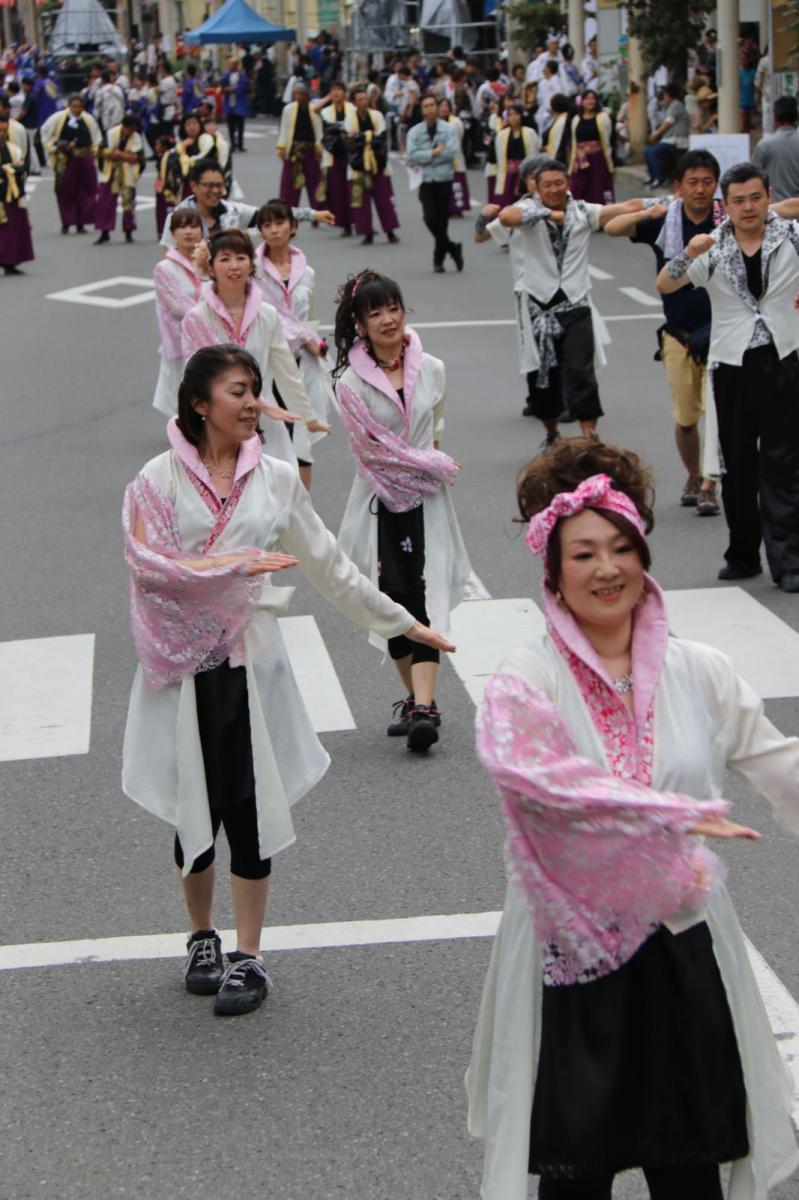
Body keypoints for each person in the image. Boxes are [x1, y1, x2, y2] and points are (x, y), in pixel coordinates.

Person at [467, 435, 799, 1200]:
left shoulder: (699, 671)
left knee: (689, 1170)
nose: (606, 569)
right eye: (582, 554)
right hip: (569, 956)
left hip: (681, 949)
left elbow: (778, 765)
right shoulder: (528, 677)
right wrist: (661, 815)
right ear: (551, 571)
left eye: (621, 548)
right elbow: (533, 780)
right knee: (572, 1176)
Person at [122, 344, 453, 1015]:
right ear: (198, 403)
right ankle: (200, 937)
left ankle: (248, 954)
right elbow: (147, 567)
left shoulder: (275, 478)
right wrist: (231, 568)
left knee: (248, 807)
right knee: (195, 811)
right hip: (180, 666)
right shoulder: (155, 481)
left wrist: (402, 621)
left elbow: (330, 566)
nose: (252, 404)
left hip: (252, 664)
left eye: (254, 390)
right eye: (239, 392)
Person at [332, 269, 483, 751]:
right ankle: (417, 699)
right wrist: (432, 462)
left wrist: (429, 465)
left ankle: (424, 706)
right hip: (378, 498)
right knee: (388, 599)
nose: (387, 319)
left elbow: (435, 425)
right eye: (374, 312)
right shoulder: (349, 383)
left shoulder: (432, 367)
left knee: (422, 594)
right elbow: (370, 450)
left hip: (428, 501)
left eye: (392, 307)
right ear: (360, 324)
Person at [657, 161, 799, 591]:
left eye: (756, 197)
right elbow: (666, 284)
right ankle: (742, 554)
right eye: (738, 200)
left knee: (784, 462)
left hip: (785, 357)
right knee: (737, 463)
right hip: (732, 363)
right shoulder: (714, 247)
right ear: (727, 205)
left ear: (769, 197)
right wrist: (689, 252)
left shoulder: (791, 237)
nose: (748, 207)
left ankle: (788, 559)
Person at [605, 149, 723, 515]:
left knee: (719, 412)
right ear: (679, 187)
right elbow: (611, 227)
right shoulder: (666, 219)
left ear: (716, 185)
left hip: (722, 331)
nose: (701, 190)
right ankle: (693, 473)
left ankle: (709, 484)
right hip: (678, 334)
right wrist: (647, 211)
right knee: (686, 418)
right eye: (693, 183)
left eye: (707, 182)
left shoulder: (727, 219)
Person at [498, 158, 642, 442]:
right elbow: (506, 217)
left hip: (576, 306)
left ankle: (590, 437)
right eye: (547, 185)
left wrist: (662, 204)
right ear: (536, 189)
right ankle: (552, 434)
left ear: (568, 184)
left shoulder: (581, 211)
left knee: (581, 372)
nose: (554, 189)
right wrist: (546, 215)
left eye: (559, 183)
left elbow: (623, 208)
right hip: (539, 309)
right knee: (543, 379)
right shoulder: (528, 210)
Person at [181, 228, 327, 473]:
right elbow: (195, 379)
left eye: (241, 257)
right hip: (220, 426)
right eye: (224, 259)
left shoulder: (266, 314)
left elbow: (286, 370)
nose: (234, 266)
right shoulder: (197, 318)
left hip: (265, 424)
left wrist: (308, 417)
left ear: (251, 264)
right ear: (210, 267)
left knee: (282, 496)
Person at [253, 199, 334, 488]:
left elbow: (308, 318)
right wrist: (307, 340)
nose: (274, 230)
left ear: (293, 226)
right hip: (270, 362)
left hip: (304, 360)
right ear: (261, 231)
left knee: (303, 439)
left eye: (279, 222)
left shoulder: (306, 271)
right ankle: (276, 501)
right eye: (267, 225)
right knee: (275, 434)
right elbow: (264, 316)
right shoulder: (252, 272)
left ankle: (303, 508)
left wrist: (317, 347)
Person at [160, 159, 334, 247]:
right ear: (194, 186)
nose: (215, 191)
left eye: (220, 185)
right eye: (209, 185)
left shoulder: (232, 211)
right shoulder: (178, 217)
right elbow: (167, 261)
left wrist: (313, 215)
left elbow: (270, 214)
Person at [152, 208, 204, 416]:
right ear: (173, 233)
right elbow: (176, 306)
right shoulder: (164, 268)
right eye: (182, 227)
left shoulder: (211, 261)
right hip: (180, 337)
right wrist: (213, 314)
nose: (189, 232)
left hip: (211, 335)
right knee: (182, 388)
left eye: (193, 226)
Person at [405, 92, 463, 274]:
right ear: (421, 110)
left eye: (432, 105)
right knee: (429, 218)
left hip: (444, 179)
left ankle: (438, 260)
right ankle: (453, 247)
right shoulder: (415, 132)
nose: (429, 109)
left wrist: (430, 156)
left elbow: (451, 152)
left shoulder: (449, 129)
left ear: (437, 108)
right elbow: (412, 155)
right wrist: (433, 153)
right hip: (426, 180)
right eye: (425, 106)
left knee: (443, 220)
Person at [344, 86, 400, 247]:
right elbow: (350, 142)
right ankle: (367, 234)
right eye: (360, 99)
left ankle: (390, 232)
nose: (364, 102)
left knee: (384, 200)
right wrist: (369, 137)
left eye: (365, 99)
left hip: (378, 163)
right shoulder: (350, 119)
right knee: (362, 202)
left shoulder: (377, 116)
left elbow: (381, 138)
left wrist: (363, 138)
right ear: (354, 103)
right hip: (359, 165)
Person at [41, 94, 101, 235]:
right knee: (64, 192)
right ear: (69, 106)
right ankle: (66, 222)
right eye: (74, 106)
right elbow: (45, 133)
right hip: (65, 160)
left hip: (84, 158)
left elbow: (96, 138)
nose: (77, 109)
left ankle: (81, 222)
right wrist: (56, 147)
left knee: (85, 191)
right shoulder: (58, 118)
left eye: (80, 106)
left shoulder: (88, 119)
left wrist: (95, 151)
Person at [93, 112, 145, 245]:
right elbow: (102, 150)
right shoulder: (111, 133)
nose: (131, 132)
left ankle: (128, 232)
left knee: (128, 202)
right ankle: (104, 232)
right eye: (129, 128)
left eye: (133, 129)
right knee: (105, 202)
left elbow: (136, 157)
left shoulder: (136, 137)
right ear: (124, 126)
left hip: (128, 172)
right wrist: (123, 156)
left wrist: (117, 154)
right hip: (111, 171)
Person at [277, 82, 323, 210]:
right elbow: (284, 130)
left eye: (301, 94)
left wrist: (319, 144)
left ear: (307, 95)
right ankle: (288, 210)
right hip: (294, 150)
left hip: (310, 149)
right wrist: (281, 147)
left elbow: (319, 129)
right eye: (296, 94)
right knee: (289, 184)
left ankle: (317, 211)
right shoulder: (288, 109)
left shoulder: (314, 108)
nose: (298, 97)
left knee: (314, 182)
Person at [317, 80, 354, 235]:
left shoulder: (352, 109)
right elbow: (325, 132)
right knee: (336, 191)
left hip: (350, 154)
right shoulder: (325, 112)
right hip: (333, 154)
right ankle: (344, 223)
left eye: (339, 89)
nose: (336, 93)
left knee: (351, 190)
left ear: (345, 93)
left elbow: (351, 129)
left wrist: (337, 129)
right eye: (333, 90)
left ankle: (354, 221)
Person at [0, 113, 34, 276]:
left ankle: (10, 263)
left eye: (4, 131)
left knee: (13, 229)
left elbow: (21, 167)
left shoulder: (13, 149)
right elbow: (15, 168)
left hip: (11, 193)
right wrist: (10, 168)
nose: (2, 134)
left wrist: (8, 169)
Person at [567, 89, 614, 203]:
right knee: (577, 189)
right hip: (580, 159)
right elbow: (574, 142)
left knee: (598, 189)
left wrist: (610, 163)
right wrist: (572, 163)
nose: (590, 101)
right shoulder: (576, 119)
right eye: (587, 98)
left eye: (593, 98)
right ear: (582, 101)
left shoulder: (602, 118)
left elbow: (607, 140)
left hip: (597, 159)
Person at [753, 95, 799, 203]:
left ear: (775, 117)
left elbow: (753, 176)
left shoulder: (764, 145)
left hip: (775, 209)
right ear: (797, 117)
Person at [493, 102, 540, 208]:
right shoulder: (502, 134)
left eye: (516, 114)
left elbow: (534, 152)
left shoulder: (530, 133)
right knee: (507, 201)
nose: (513, 117)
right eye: (510, 114)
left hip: (524, 172)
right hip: (509, 173)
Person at [162, 113, 215, 203]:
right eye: (188, 124)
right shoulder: (180, 144)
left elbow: (206, 159)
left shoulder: (206, 140)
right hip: (186, 185)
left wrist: (187, 161)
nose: (192, 127)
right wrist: (183, 147)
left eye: (194, 123)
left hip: (204, 182)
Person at [645, 83, 689, 188]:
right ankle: (652, 177)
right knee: (647, 150)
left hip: (677, 141)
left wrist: (656, 134)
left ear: (669, 95)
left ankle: (660, 178)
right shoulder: (670, 106)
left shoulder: (676, 105)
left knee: (653, 152)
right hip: (670, 140)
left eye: (665, 95)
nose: (663, 97)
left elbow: (667, 123)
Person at [437, 96, 470, 216]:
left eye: (446, 105)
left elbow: (457, 139)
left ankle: (457, 209)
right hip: (439, 159)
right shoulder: (435, 122)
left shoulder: (456, 122)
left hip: (455, 158)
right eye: (441, 106)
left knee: (456, 184)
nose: (443, 108)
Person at [222, 57, 249, 152]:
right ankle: (233, 144)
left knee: (240, 125)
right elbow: (222, 85)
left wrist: (234, 89)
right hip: (229, 103)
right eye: (229, 64)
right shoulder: (226, 74)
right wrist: (225, 88)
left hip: (239, 103)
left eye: (232, 64)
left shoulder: (242, 74)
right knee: (231, 126)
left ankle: (240, 144)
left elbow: (244, 87)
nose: (230, 66)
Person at [94, 68, 126, 134]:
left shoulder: (100, 91)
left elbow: (97, 106)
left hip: (106, 117)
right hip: (118, 116)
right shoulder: (118, 88)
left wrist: (96, 118)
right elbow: (123, 102)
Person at [739, 46, 757, 134]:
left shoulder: (753, 72)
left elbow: (755, 87)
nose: (743, 61)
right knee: (742, 121)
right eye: (741, 59)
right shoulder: (739, 73)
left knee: (748, 120)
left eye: (745, 59)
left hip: (750, 99)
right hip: (741, 100)